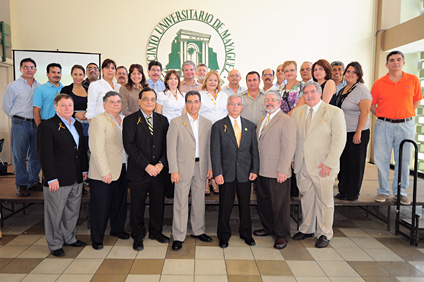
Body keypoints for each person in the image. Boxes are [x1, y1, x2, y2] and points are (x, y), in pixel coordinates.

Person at [292, 81, 346, 248]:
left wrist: (329, 163)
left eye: (312, 92)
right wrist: (293, 159)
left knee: (324, 201)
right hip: (302, 165)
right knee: (306, 199)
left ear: (320, 93)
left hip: (323, 166)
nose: (309, 95)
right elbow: (295, 138)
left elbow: (339, 140)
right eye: (306, 92)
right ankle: (307, 228)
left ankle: (324, 233)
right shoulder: (297, 112)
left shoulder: (333, 112)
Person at [37, 94, 88, 257]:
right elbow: (44, 155)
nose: (68, 108)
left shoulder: (77, 125)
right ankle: (54, 243)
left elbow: (81, 151)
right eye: (64, 105)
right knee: (55, 213)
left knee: (72, 210)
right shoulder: (47, 126)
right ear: (56, 107)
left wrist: (84, 170)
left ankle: (69, 238)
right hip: (57, 178)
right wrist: (50, 177)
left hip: (75, 176)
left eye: (70, 105)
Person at [371, 51, 423, 205]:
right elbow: (372, 106)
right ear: (386, 64)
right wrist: (383, 116)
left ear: (403, 63)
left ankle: (400, 192)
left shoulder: (413, 80)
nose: (395, 62)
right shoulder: (379, 83)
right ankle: (383, 191)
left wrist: (403, 115)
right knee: (382, 159)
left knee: (404, 160)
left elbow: (417, 101)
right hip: (383, 125)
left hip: (406, 125)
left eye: (399, 60)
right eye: (392, 60)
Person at [123, 87, 170, 251]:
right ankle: (138, 236)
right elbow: (130, 147)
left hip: (158, 171)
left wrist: (161, 164)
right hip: (139, 171)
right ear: (140, 101)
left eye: (152, 99)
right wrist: (147, 165)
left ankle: (156, 232)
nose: (149, 102)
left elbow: (167, 146)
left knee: (158, 204)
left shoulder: (163, 120)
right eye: (146, 99)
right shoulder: (130, 121)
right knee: (137, 205)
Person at [167, 91, 213, 251]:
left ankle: (198, 230)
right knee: (180, 201)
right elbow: (171, 148)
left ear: (200, 104)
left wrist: (210, 168)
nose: (193, 105)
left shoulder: (207, 123)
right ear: (185, 104)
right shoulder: (176, 122)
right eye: (190, 102)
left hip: (201, 167)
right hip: (182, 168)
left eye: (196, 102)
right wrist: (173, 169)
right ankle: (179, 236)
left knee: (199, 201)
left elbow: (209, 147)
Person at [211, 94, 259, 248]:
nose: (235, 106)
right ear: (227, 106)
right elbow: (215, 152)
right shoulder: (218, 126)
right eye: (232, 104)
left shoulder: (250, 126)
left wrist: (255, 169)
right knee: (225, 205)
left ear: (242, 107)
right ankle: (224, 235)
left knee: (245, 205)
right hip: (226, 174)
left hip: (245, 172)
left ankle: (246, 233)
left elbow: (254, 151)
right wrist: (217, 173)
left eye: (238, 104)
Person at [253, 92, 296, 250]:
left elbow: (289, 146)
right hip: (262, 169)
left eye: (273, 100)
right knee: (264, 202)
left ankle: (282, 235)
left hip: (278, 170)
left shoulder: (286, 121)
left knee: (280, 205)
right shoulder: (262, 120)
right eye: (267, 100)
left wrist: (283, 169)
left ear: (279, 102)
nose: (269, 102)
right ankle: (268, 227)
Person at [88, 91, 129, 250]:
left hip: (122, 168)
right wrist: (105, 172)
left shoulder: (124, 120)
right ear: (104, 104)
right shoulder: (99, 120)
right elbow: (96, 149)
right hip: (103, 172)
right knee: (101, 206)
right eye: (112, 102)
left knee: (119, 203)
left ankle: (117, 229)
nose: (116, 104)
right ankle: (97, 238)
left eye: (118, 101)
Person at [2, 58, 41, 197]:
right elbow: (6, 107)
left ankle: (34, 181)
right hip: (20, 124)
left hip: (36, 123)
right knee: (19, 156)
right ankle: (22, 184)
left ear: (35, 70)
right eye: (26, 67)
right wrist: (17, 118)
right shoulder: (13, 86)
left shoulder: (39, 86)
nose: (29, 69)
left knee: (36, 155)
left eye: (31, 67)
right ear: (21, 69)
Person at [333, 62, 372, 201]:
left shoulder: (361, 89)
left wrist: (358, 132)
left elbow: (365, 112)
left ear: (359, 75)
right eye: (348, 71)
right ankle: (343, 190)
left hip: (357, 132)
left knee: (355, 163)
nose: (350, 74)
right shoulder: (343, 89)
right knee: (344, 162)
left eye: (353, 72)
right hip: (344, 132)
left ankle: (352, 193)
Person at [199, 70, 228, 194]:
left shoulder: (224, 95)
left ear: (218, 82)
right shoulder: (200, 94)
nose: (212, 82)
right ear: (206, 81)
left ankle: (215, 179)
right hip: (204, 128)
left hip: (221, 130)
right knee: (205, 154)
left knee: (217, 154)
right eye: (210, 80)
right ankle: (206, 180)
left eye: (215, 80)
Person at [60, 65, 89, 147]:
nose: (78, 77)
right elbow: (62, 107)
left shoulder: (89, 89)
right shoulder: (66, 90)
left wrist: (88, 113)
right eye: (75, 74)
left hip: (88, 123)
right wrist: (75, 114)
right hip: (71, 122)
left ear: (84, 75)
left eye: (80, 74)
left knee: (86, 148)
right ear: (71, 75)